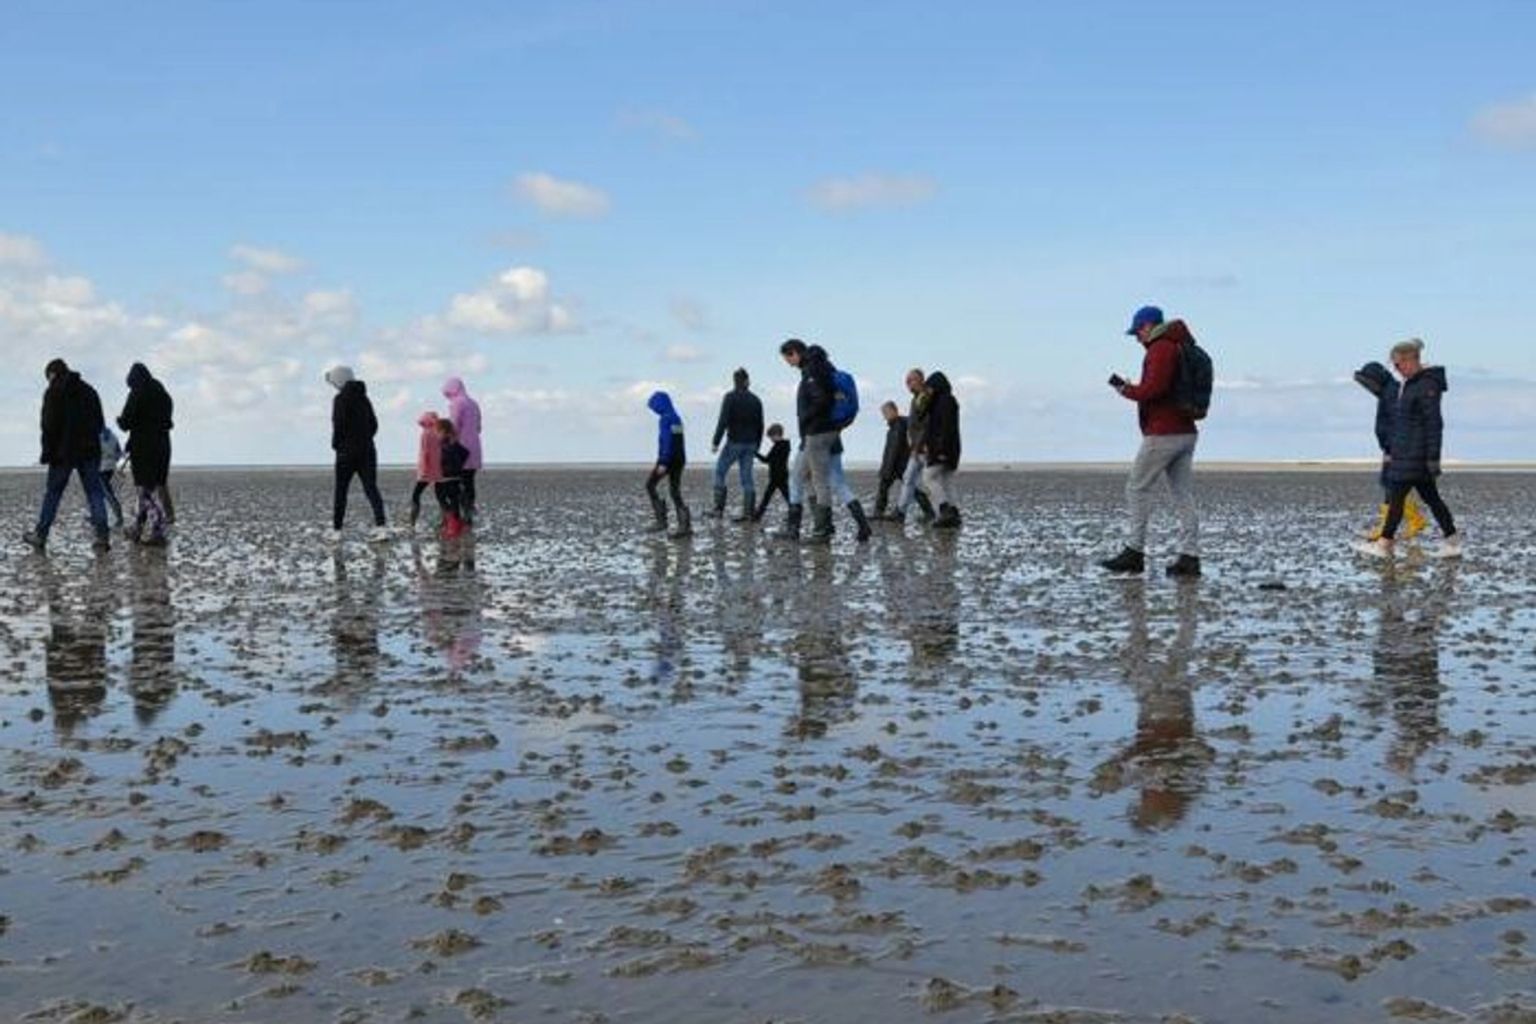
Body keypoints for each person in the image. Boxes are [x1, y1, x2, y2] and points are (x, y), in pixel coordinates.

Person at [1099, 306, 1201, 578]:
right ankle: (1190, 557)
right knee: (1182, 494)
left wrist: (1125, 389)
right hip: (1185, 431)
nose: (1136, 338)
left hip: (1164, 432)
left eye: (1137, 332)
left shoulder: (1161, 349)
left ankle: (1134, 552)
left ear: (1147, 326)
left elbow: (1153, 389)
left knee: (1137, 488)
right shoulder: (1178, 346)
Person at [1358, 339, 1460, 559]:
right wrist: (1392, 448)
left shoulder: (1426, 385)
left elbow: (1434, 423)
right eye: (1393, 366)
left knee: (1397, 500)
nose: (1396, 370)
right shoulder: (1411, 383)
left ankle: (1384, 544)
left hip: (1416, 455)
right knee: (1430, 499)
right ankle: (1452, 541)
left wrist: (1433, 458)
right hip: (1406, 454)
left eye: (1398, 365)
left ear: (1411, 360)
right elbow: (1402, 424)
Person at [773, 339, 871, 545]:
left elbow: (821, 401)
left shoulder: (812, 371)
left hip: (816, 434)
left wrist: (806, 418)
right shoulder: (825, 368)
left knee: (812, 480)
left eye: (787, 358)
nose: (788, 363)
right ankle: (859, 525)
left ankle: (820, 530)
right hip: (831, 434)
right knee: (829, 481)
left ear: (795, 353)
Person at [23, 359, 111, 554]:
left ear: (52, 374)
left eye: (48, 377)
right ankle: (102, 537)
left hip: (62, 452)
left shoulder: (53, 391)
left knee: (53, 494)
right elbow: (100, 422)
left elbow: (48, 425)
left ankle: (41, 535)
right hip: (89, 450)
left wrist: (47, 452)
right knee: (95, 493)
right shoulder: (89, 390)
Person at [1355, 361, 1428, 543]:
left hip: (1398, 449)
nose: (1367, 387)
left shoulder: (1392, 393)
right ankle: (1410, 521)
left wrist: (1392, 449)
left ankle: (1405, 523)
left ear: (1377, 379)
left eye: (1368, 383)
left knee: (1392, 486)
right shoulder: (1389, 392)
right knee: (1392, 486)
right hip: (1396, 448)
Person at [326, 366, 390, 543]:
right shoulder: (364, 398)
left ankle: (337, 531)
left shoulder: (339, 399)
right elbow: (374, 424)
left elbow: (338, 425)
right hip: (367, 450)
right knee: (371, 488)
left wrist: (336, 445)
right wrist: (365, 439)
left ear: (339, 380)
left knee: (341, 491)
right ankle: (381, 527)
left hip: (346, 452)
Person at [117, 362, 174, 546]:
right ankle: (137, 529)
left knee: (144, 490)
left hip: (144, 447)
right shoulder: (163, 394)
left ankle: (157, 529)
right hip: (163, 445)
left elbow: (127, 422)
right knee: (148, 489)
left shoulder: (137, 392)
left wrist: (120, 421)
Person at [708, 367, 764, 522]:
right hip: (751, 443)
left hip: (735, 442)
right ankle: (748, 513)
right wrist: (757, 444)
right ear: (747, 381)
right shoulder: (756, 400)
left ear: (735, 381)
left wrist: (715, 442)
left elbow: (723, 420)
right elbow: (760, 424)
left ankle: (718, 510)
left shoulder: (730, 397)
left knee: (719, 472)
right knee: (747, 477)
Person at [889, 368, 936, 524]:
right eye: (906, 381)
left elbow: (927, 424)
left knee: (933, 481)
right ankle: (900, 512)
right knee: (908, 478)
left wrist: (919, 445)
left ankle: (939, 511)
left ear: (921, 380)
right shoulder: (915, 399)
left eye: (911, 380)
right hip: (915, 450)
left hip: (925, 448)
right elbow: (913, 425)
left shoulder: (926, 397)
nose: (908, 384)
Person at [645, 391, 692, 539]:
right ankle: (685, 526)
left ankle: (661, 521)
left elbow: (667, 441)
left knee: (650, 485)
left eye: (654, 407)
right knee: (674, 491)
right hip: (680, 459)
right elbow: (678, 442)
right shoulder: (677, 418)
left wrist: (663, 461)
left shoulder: (665, 419)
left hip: (668, 459)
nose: (654, 410)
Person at [921, 372, 963, 528]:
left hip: (943, 447)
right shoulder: (943, 401)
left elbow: (946, 428)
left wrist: (940, 450)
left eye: (930, 387)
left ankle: (944, 509)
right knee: (946, 480)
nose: (928, 391)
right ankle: (953, 513)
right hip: (950, 447)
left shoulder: (944, 402)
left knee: (928, 478)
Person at [442, 377, 483, 522]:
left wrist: (444, 442)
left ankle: (459, 514)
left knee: (456, 483)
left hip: (459, 449)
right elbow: (478, 427)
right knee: (469, 482)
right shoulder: (474, 403)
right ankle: (469, 512)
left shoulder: (457, 403)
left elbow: (453, 427)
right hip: (474, 448)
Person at [873, 401, 909, 520]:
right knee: (911, 488)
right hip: (898, 464)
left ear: (894, 411)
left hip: (897, 464)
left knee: (912, 488)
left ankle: (878, 512)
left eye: (886, 412)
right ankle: (878, 512)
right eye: (883, 413)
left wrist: (887, 468)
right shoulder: (895, 426)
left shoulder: (898, 426)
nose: (884, 416)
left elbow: (894, 449)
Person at [409, 411, 445, 530]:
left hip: (427, 470)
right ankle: (445, 519)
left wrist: (423, 470)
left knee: (416, 495)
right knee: (440, 496)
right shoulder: (439, 433)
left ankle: (412, 522)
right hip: (439, 470)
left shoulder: (425, 433)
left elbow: (425, 453)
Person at [437, 418, 472, 540]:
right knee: (454, 501)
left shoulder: (443, 445)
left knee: (442, 499)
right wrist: (459, 466)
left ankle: (453, 523)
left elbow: (440, 459)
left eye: (438, 432)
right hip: (455, 477)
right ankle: (456, 522)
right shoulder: (454, 443)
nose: (436, 434)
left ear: (443, 431)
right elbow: (466, 453)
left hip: (444, 478)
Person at [753, 424, 792, 521]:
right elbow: (768, 460)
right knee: (787, 496)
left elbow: (766, 460)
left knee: (768, 496)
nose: (771, 439)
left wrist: (755, 453)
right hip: (782, 474)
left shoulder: (778, 446)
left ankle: (758, 515)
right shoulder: (785, 445)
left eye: (771, 436)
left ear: (777, 435)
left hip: (776, 476)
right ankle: (793, 513)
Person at [98, 425, 125, 529]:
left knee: (107, 493)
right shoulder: (113, 436)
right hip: (110, 467)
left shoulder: (96, 436)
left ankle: (119, 517)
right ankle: (98, 515)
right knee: (103, 492)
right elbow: (119, 454)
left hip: (101, 468)